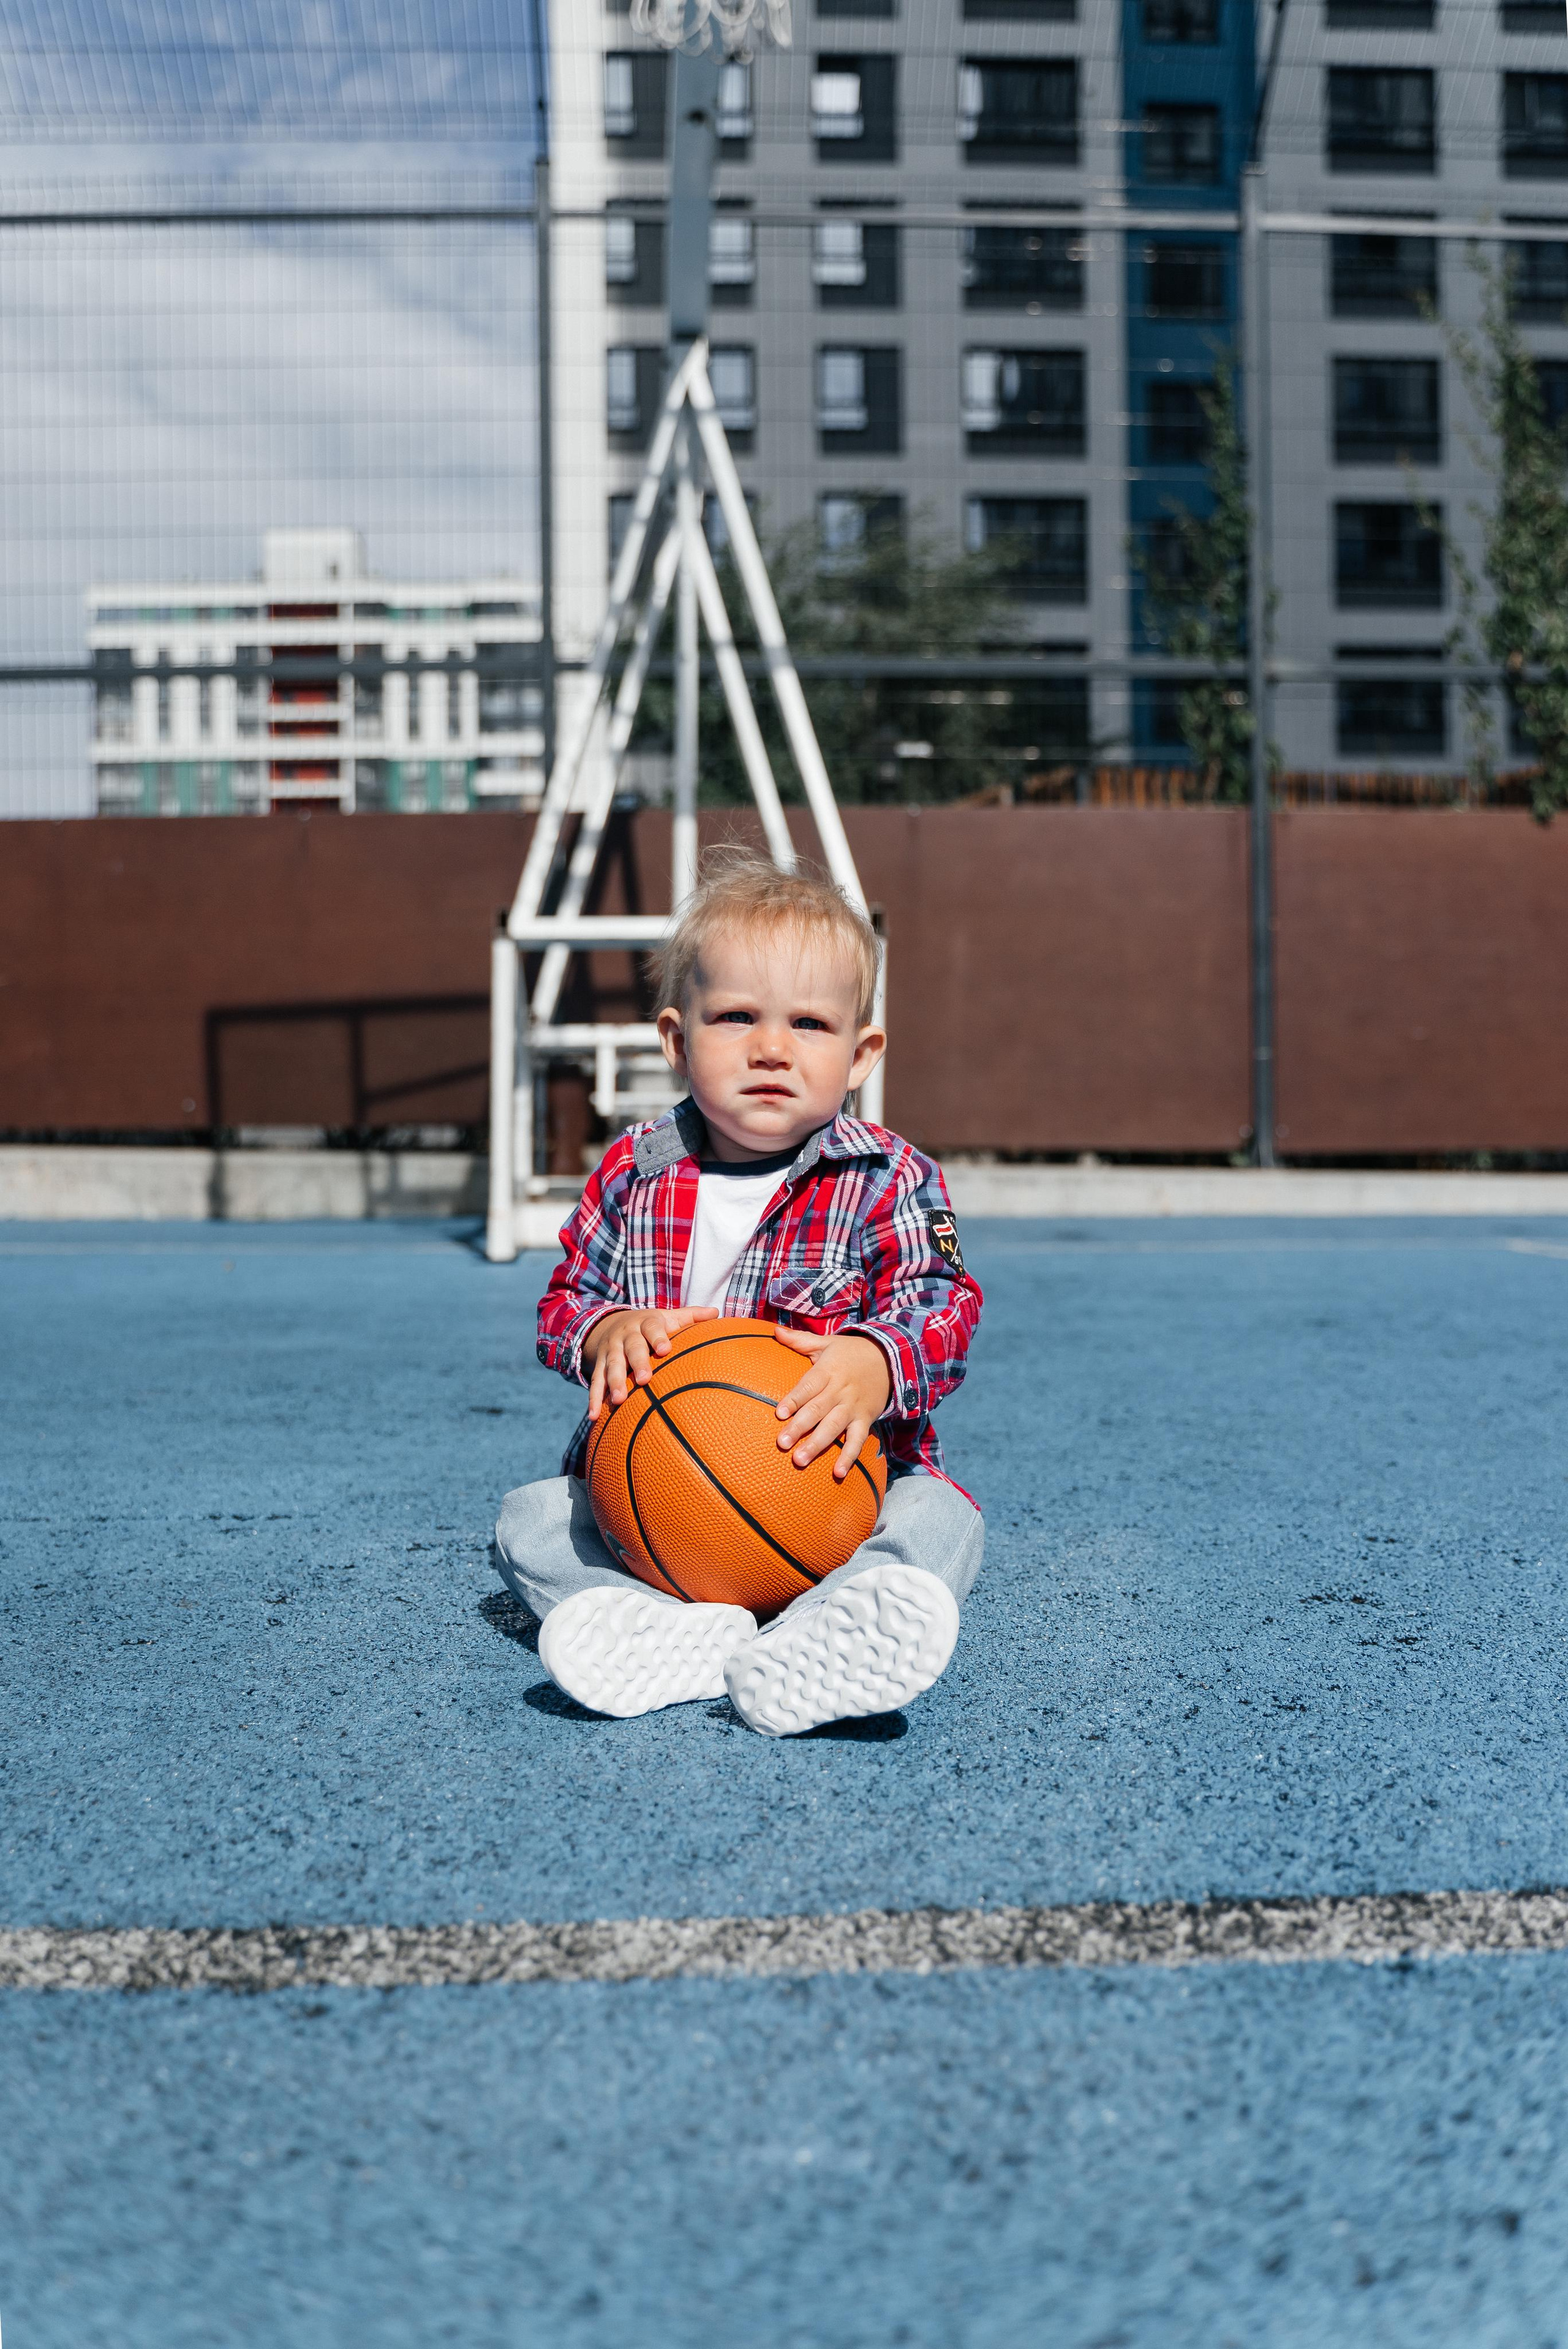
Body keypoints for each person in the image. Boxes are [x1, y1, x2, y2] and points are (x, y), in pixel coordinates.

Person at [494, 848, 984, 1736]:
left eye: (808, 1024)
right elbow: (563, 1302)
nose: (770, 1048)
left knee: (944, 1517)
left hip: (833, 1503)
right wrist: (605, 1332)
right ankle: (665, 1631)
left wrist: (876, 1360)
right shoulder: (633, 1173)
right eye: (736, 1018)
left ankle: (828, 1631)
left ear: (861, 1052)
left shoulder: (890, 1179)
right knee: (528, 1521)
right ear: (679, 1042)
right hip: (662, 1515)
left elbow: (944, 1304)